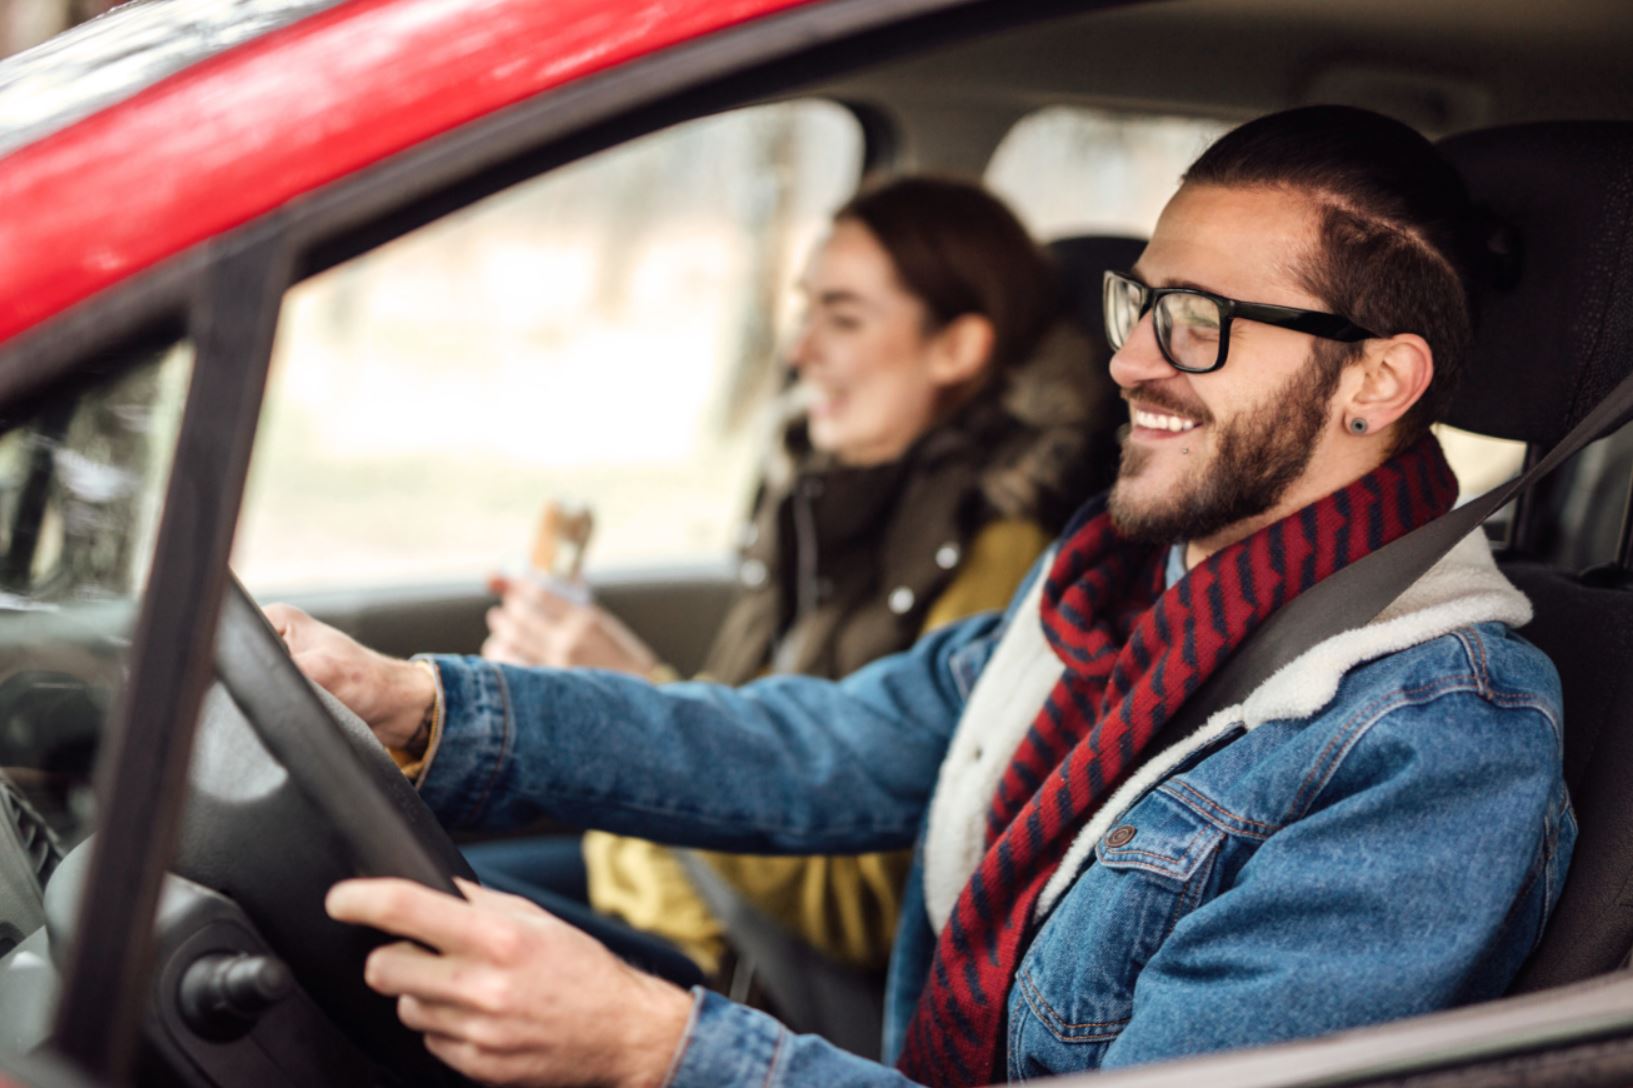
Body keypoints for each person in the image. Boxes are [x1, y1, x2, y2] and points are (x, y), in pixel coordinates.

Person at [273, 106, 1574, 1087]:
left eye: (1194, 320)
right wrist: (429, 707)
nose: (1128, 359)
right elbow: (821, 747)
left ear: (1377, 382)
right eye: (1139, 302)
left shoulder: (1438, 735)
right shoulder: (1118, 584)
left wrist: (656, 1044)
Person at [467, 176, 1117, 985]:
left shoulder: (1000, 563)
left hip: (755, 979)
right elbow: (751, 725)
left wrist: (634, 689)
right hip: (675, 890)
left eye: (841, 318)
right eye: (805, 309)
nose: (801, 350)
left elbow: (870, 911)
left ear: (957, 348)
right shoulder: (817, 504)